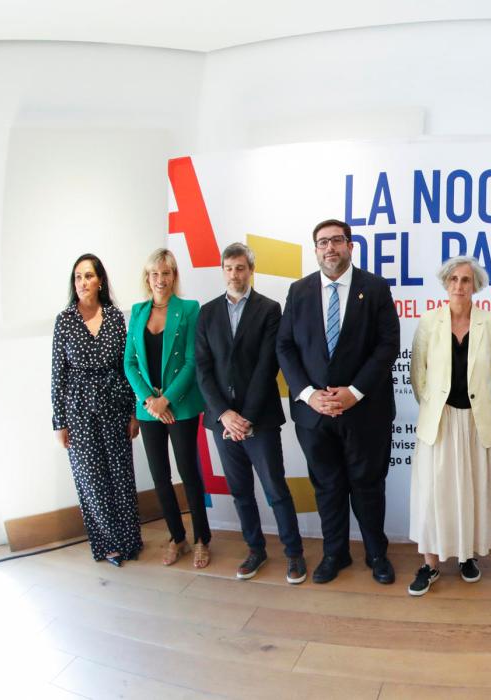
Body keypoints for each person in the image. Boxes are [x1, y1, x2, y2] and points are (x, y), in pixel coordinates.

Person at [277, 219, 399, 585]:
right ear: (315, 249)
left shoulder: (374, 287)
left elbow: (387, 344)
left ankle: (376, 554)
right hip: (314, 415)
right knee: (327, 487)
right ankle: (335, 553)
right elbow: (284, 346)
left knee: (368, 484)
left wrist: (354, 392)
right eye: (322, 242)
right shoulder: (298, 291)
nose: (329, 248)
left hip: (365, 411)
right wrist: (309, 394)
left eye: (336, 241)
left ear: (349, 245)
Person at [196, 243, 307, 584]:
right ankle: (255, 550)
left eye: (241, 268)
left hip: (260, 420)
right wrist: (225, 415)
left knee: (275, 489)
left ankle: (294, 555)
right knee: (240, 491)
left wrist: (245, 417)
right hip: (222, 423)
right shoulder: (207, 312)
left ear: (250, 270)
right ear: (223, 271)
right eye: (229, 268)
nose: (235, 274)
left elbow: (267, 366)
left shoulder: (269, 309)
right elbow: (203, 369)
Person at [406, 256, 491, 596]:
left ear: (475, 285)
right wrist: (436, 406)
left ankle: (467, 557)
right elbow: (417, 375)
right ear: (445, 283)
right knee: (434, 494)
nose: (459, 286)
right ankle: (430, 563)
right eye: (453, 279)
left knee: (471, 490)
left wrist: (482, 405)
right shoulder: (428, 322)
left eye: (466, 280)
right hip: (440, 420)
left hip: (477, 421)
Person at [51, 254, 143, 567]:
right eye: (77, 277)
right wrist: (59, 422)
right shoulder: (64, 321)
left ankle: (130, 540)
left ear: (100, 280)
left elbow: (126, 366)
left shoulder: (116, 317)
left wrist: (133, 412)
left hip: (115, 407)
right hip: (78, 411)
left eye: (88, 276)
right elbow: (57, 374)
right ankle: (108, 545)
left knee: (121, 476)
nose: (82, 283)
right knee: (91, 480)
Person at [124, 248, 211, 568]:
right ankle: (178, 538)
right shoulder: (136, 312)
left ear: (174, 276)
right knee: (160, 476)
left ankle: (202, 539)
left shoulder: (189, 309)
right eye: (154, 273)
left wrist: (166, 400)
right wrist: (150, 401)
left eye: (167, 273)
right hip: (149, 410)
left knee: (189, 474)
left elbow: (192, 362)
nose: (160, 279)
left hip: (181, 406)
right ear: (147, 278)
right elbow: (129, 362)